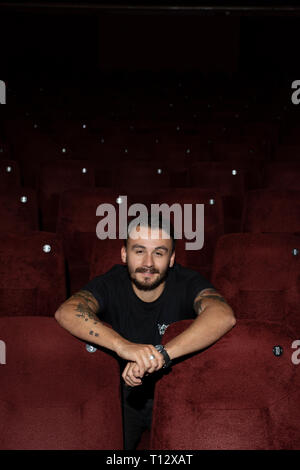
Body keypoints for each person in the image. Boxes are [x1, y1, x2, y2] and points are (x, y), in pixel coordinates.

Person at [55, 215, 236, 450]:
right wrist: (124, 346)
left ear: (171, 259)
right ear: (124, 255)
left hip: (177, 391)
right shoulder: (111, 282)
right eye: (139, 251)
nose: (148, 262)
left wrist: (160, 355)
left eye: (159, 253)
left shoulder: (187, 281)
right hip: (124, 395)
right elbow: (66, 312)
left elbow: (223, 315)